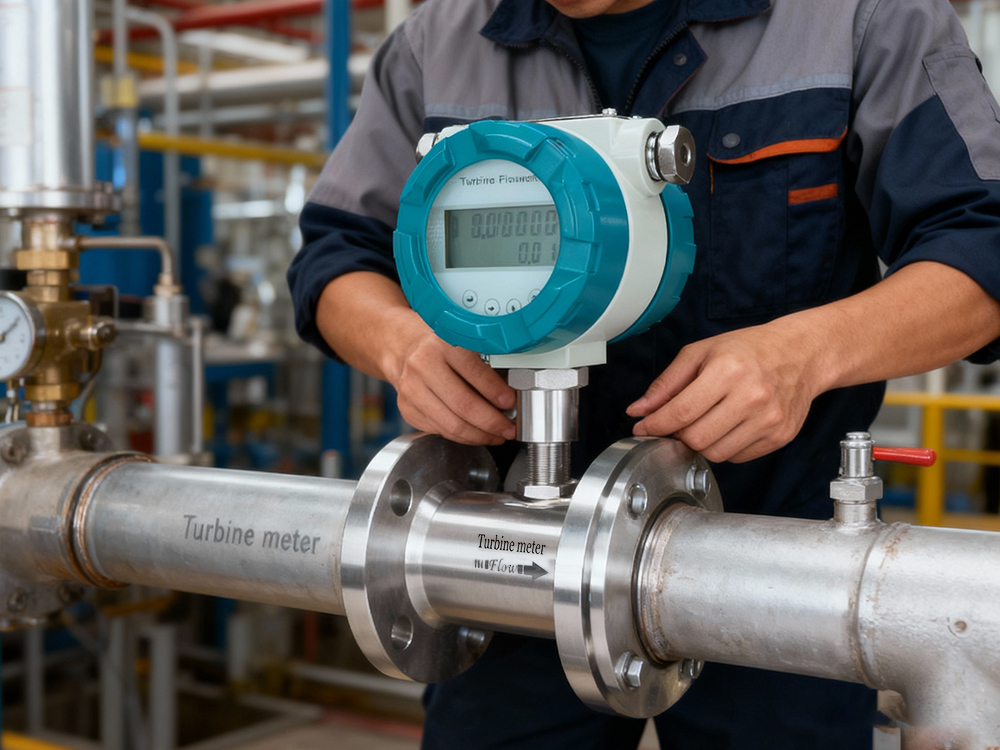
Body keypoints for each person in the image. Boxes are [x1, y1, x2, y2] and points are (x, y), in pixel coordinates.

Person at [288, 0, 1000, 747]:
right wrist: (403, 344)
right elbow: (335, 256)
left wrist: (807, 353)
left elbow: (981, 247)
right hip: (509, 565)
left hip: (776, 567)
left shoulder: (857, 18)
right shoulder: (435, 45)